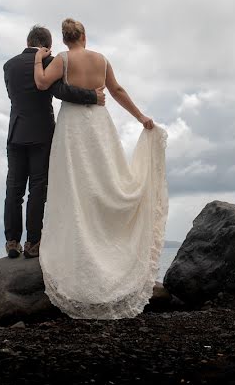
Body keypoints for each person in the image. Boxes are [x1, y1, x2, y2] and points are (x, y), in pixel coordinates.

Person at [32, 18, 168, 319]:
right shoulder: (101, 59)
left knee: (75, 189)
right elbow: (116, 90)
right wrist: (141, 117)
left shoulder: (63, 60)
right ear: (83, 35)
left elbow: (42, 83)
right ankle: (110, 252)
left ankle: (82, 255)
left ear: (65, 40)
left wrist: (39, 59)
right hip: (98, 126)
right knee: (103, 184)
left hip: (72, 129)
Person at [3, 25, 106, 260]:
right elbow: (62, 91)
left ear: (28, 40)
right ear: (47, 46)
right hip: (41, 134)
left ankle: (11, 242)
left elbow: (13, 96)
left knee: (14, 189)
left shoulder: (9, 65)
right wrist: (93, 96)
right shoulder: (48, 62)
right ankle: (32, 244)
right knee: (38, 188)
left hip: (16, 133)